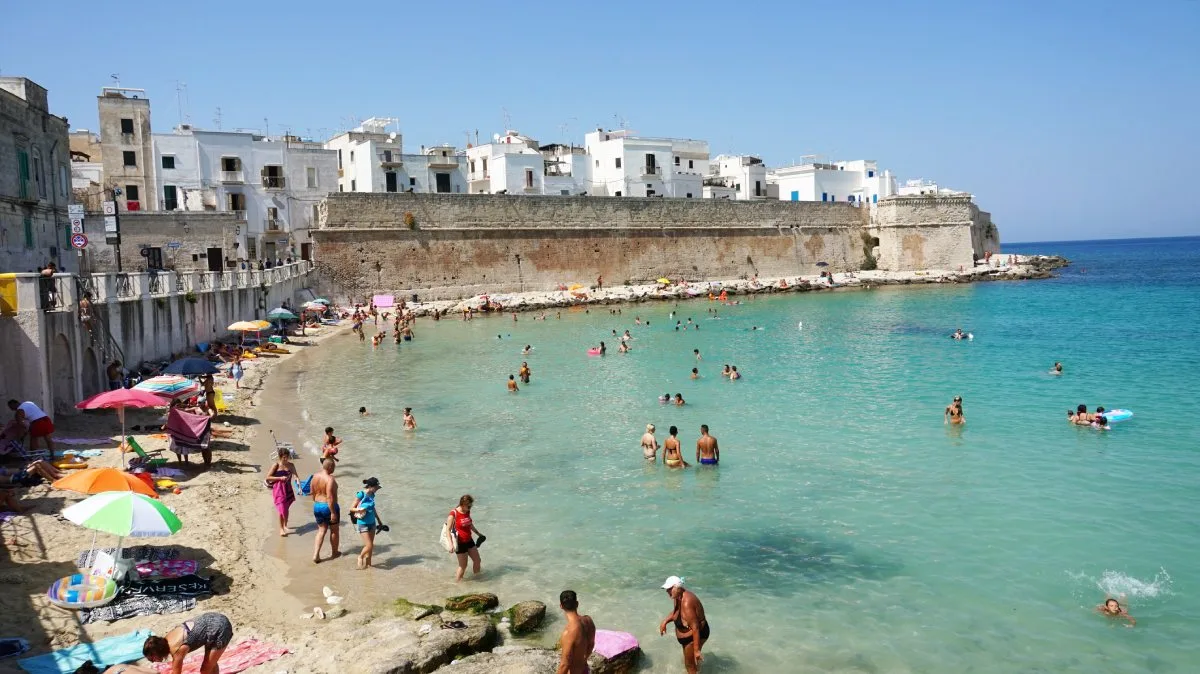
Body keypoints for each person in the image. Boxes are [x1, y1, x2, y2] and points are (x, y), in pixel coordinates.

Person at [142, 612, 234, 674]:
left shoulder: (176, 650)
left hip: (220, 628)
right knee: (210, 664)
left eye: (152, 657)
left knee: (205, 669)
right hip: (212, 620)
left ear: (158, 650)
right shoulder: (168, 638)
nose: (154, 661)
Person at [659, 576, 709, 673]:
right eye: (667, 589)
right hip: (688, 637)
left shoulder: (687, 603)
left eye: (669, 589)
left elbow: (695, 628)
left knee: (689, 665)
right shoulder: (677, 597)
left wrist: (696, 650)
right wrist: (665, 621)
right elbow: (676, 612)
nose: (667, 592)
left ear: (678, 587)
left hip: (693, 636)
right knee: (690, 663)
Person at [447, 494, 485, 581]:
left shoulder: (467, 511)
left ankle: (478, 579)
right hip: (460, 543)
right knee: (463, 566)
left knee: (477, 560)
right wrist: (450, 544)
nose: (470, 508)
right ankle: (457, 584)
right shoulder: (453, 514)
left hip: (469, 540)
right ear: (463, 504)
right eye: (468, 506)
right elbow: (447, 530)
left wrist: (478, 534)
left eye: (471, 506)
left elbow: (470, 524)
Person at [557, 590, 596, 674]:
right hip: (585, 670)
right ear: (577, 603)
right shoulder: (588, 620)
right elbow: (591, 645)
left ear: (561, 606)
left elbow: (565, 665)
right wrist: (583, 660)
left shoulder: (569, 632)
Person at [350, 477, 383, 570]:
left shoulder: (372, 494)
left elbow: (373, 508)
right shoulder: (361, 494)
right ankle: (360, 557)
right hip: (362, 523)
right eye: (376, 487)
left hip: (372, 522)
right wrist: (360, 509)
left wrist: (379, 520)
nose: (377, 489)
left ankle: (369, 565)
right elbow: (351, 508)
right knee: (369, 545)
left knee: (370, 546)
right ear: (371, 486)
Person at [310, 458, 340, 563]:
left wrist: (316, 501)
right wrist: (332, 512)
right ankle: (335, 552)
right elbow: (330, 497)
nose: (334, 469)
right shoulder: (330, 479)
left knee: (321, 530)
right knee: (334, 530)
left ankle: (316, 554)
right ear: (330, 467)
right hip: (328, 506)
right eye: (334, 467)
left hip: (317, 505)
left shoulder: (315, 476)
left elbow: (312, 492)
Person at [266, 446, 298, 536]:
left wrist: (298, 482)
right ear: (280, 457)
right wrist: (279, 478)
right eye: (284, 457)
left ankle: (285, 525)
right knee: (281, 509)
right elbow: (268, 477)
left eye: (287, 457)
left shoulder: (291, 465)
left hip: (288, 489)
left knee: (286, 508)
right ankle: (281, 529)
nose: (285, 459)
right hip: (278, 489)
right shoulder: (276, 465)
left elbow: (296, 475)